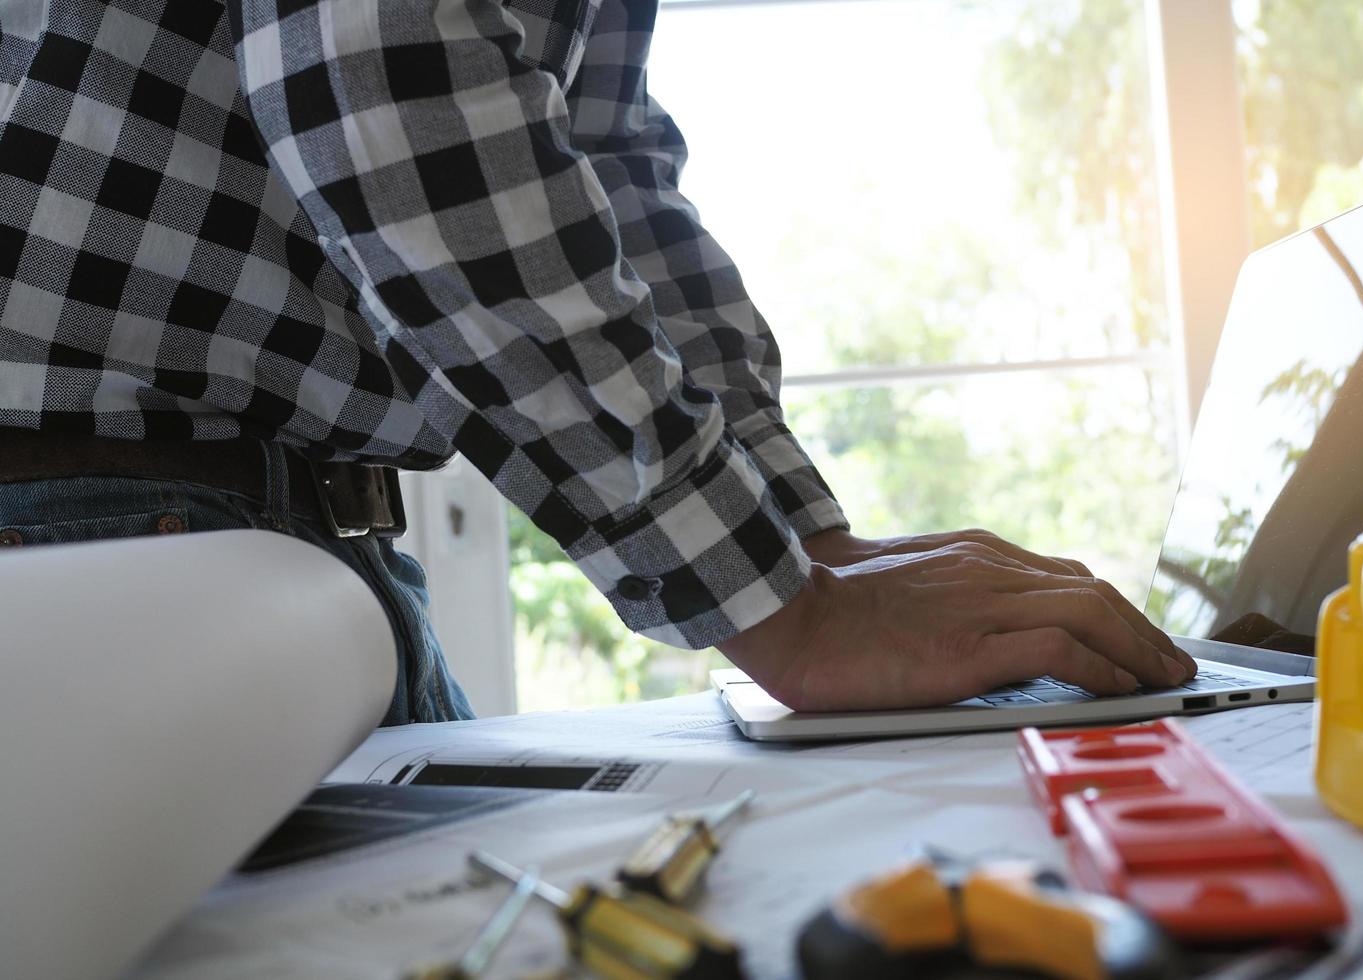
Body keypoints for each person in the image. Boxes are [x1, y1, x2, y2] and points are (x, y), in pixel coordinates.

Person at [0, 0, 1194, 725]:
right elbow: (379, 63)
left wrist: (798, 547)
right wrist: (786, 613)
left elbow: (601, 158)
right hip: (102, 537)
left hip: (219, 531)